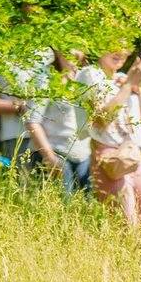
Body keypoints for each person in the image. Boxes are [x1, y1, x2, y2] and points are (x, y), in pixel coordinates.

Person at [78, 50, 141, 226]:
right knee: (126, 226)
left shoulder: (123, 78)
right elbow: (102, 120)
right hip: (109, 158)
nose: (122, 52)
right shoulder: (89, 74)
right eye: (115, 45)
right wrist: (129, 85)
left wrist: (137, 87)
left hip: (135, 157)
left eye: (126, 47)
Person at [24, 55, 92, 194]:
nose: (73, 52)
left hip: (84, 155)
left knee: (85, 210)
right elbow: (32, 121)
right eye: (67, 47)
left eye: (77, 46)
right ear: (57, 49)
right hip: (56, 152)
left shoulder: (86, 76)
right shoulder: (45, 77)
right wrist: (49, 157)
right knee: (62, 208)